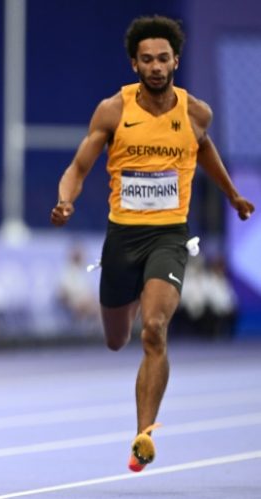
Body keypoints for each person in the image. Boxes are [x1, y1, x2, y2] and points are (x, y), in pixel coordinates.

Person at [50, 15, 254, 473]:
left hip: (169, 235)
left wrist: (233, 195)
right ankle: (128, 306)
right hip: (123, 236)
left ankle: (143, 435)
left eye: (164, 58)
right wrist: (65, 201)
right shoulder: (113, 111)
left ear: (175, 60)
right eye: (148, 60)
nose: (157, 66)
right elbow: (78, 168)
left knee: (154, 330)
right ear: (134, 64)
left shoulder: (196, 112)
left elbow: (204, 150)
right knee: (116, 339)